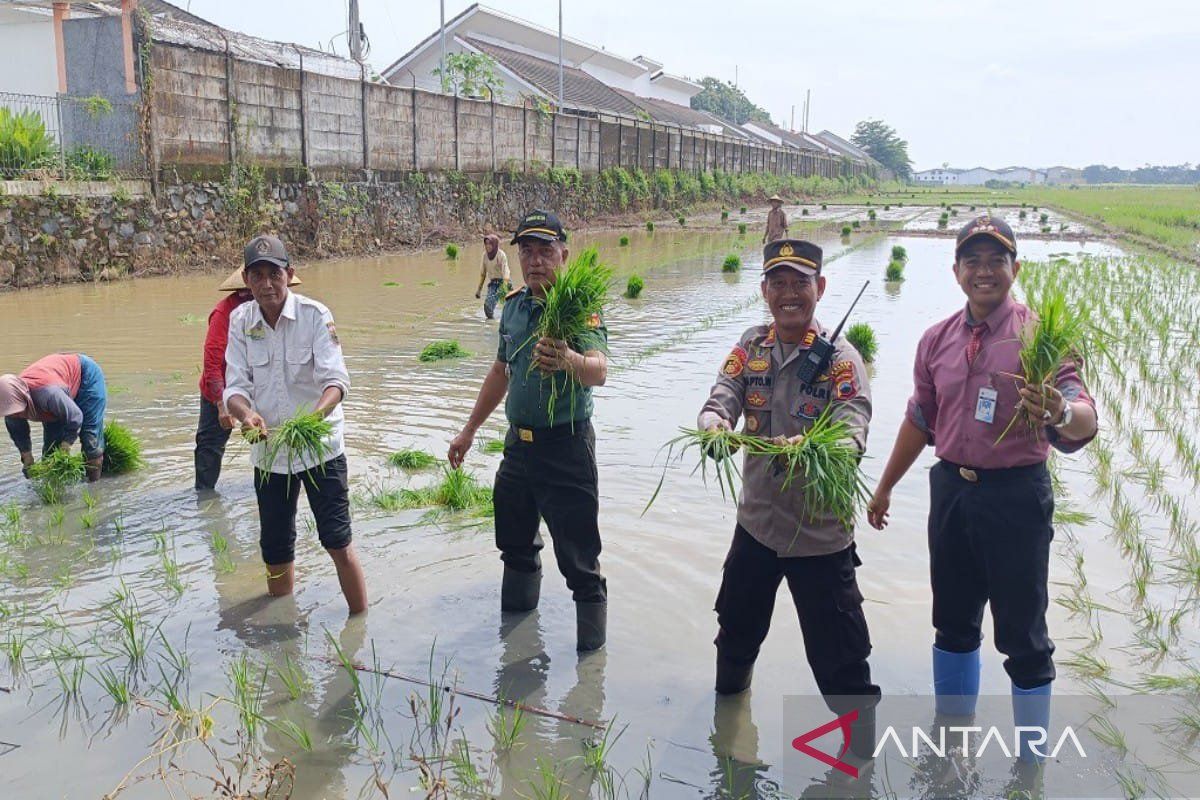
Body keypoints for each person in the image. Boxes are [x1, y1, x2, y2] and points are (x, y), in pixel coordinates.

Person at [866, 215, 1098, 763]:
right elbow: (921, 419)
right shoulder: (936, 340)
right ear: (956, 272)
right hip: (951, 491)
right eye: (973, 260)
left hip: (1015, 497)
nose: (985, 271)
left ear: (1015, 268)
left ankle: (1031, 762)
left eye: (997, 260)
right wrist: (884, 488)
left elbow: (1084, 417)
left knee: (1022, 633)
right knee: (952, 621)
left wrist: (1061, 411)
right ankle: (952, 740)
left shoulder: (1042, 337)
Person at [697, 238, 878, 760]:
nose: (789, 294)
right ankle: (728, 734)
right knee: (734, 635)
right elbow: (721, 398)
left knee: (841, 662)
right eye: (778, 283)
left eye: (801, 282)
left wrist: (814, 447)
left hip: (820, 536)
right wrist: (713, 427)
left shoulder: (843, 362)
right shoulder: (750, 346)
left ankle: (858, 760)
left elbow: (852, 432)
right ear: (764, 291)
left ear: (820, 288)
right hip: (756, 527)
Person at [448, 210, 610, 651]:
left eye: (545, 250)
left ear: (563, 253)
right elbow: (501, 371)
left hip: (567, 449)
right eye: (527, 251)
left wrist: (570, 360)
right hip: (518, 450)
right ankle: (515, 652)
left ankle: (589, 676)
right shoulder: (515, 307)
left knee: (580, 564)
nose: (535, 260)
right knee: (516, 548)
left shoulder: (579, 307)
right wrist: (468, 430)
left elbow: (599, 371)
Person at [224, 234, 367, 615]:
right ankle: (281, 629)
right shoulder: (240, 321)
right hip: (269, 453)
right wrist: (245, 415)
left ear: (290, 274)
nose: (267, 284)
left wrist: (314, 418)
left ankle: (359, 628)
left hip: (320, 449)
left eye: (274, 273)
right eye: (257, 275)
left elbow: (337, 381)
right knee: (274, 547)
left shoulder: (315, 316)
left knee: (338, 541)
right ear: (247, 279)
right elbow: (235, 387)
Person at [195, 265, 301, 491]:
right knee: (210, 446)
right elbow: (213, 362)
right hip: (221, 389)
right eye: (259, 279)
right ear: (248, 284)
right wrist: (222, 404)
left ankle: (274, 483)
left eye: (274, 278)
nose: (268, 287)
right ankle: (204, 496)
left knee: (273, 435)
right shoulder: (226, 313)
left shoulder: (289, 310)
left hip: (260, 385)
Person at [1, 353, 107, 481]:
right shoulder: (8, 405)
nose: (15, 415)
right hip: (56, 394)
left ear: (24, 397)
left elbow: (75, 417)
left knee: (91, 444)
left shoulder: (47, 394)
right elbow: (18, 432)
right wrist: (27, 457)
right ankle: (57, 495)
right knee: (51, 454)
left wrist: (66, 445)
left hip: (86, 377)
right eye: (12, 412)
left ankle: (95, 489)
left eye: (17, 411)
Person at [475, 233, 511, 319]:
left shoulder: (501, 255)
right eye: (486, 244)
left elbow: (505, 270)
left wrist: (505, 286)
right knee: (487, 306)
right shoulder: (485, 256)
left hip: (504, 282)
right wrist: (479, 290)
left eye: (490, 244)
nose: (488, 246)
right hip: (493, 284)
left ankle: (507, 321)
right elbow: (483, 274)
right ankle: (491, 322)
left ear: (495, 244)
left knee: (511, 305)